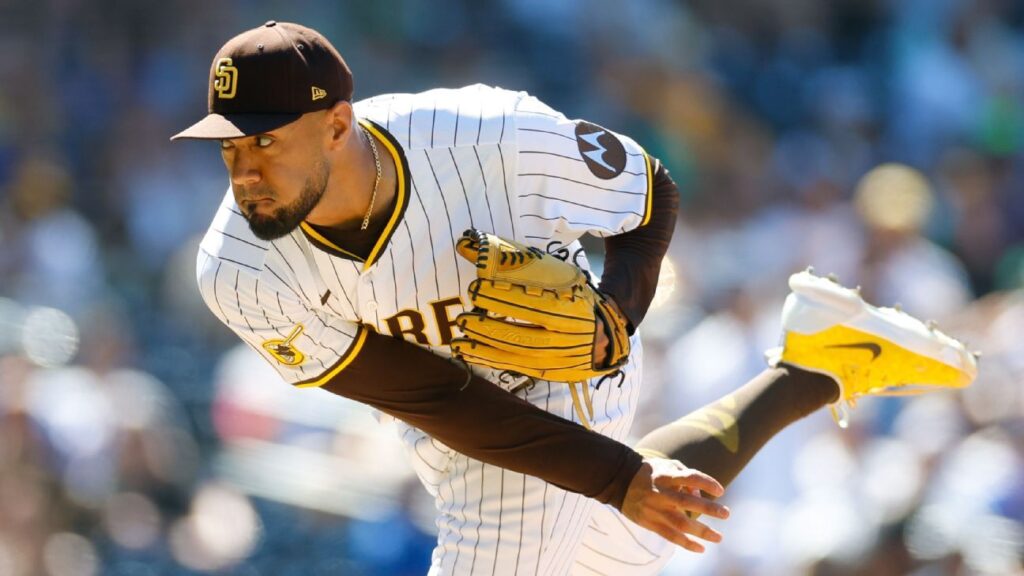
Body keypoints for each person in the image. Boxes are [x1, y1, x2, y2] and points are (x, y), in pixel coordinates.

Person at [172, 21, 978, 575]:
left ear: (337, 125)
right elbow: (436, 397)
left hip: (566, 366)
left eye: (265, 141)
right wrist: (620, 478)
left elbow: (650, 194)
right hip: (455, 422)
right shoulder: (239, 271)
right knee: (623, 543)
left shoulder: (486, 136)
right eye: (230, 147)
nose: (245, 171)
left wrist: (616, 319)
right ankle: (814, 366)